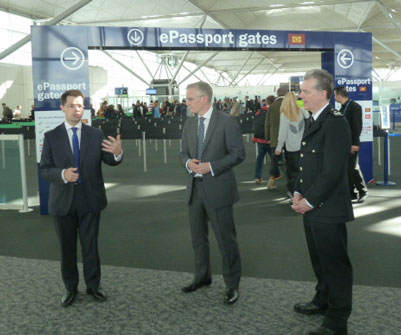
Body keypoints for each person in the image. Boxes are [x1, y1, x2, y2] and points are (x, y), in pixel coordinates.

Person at [40, 90, 123, 308]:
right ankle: (70, 288)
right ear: (62, 108)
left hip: (90, 200)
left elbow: (110, 160)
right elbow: (45, 169)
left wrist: (117, 153)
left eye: (80, 106)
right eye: (72, 106)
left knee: (90, 246)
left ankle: (93, 286)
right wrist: (62, 174)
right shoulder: (51, 136)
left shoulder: (95, 134)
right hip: (63, 202)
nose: (77, 110)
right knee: (67, 249)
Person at [292, 69, 354, 335]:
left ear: (322, 93)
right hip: (312, 205)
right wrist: (297, 191)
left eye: (305, 91)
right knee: (319, 260)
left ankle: (338, 321)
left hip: (328, 208)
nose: (300, 95)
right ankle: (322, 300)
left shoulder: (336, 122)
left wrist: (311, 200)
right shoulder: (313, 119)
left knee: (335, 265)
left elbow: (332, 171)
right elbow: (307, 164)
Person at [180, 82, 245, 305]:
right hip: (195, 190)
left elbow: (238, 154)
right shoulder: (189, 124)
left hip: (219, 189)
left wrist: (212, 167)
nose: (186, 103)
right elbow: (183, 153)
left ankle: (232, 285)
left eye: (190, 99)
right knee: (198, 239)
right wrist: (189, 162)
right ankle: (202, 277)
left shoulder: (226, 122)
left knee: (226, 240)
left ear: (204, 99)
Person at [334, 86, 368, 203]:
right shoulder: (343, 108)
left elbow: (357, 127)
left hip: (352, 144)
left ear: (339, 95)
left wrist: (354, 143)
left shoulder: (354, 107)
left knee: (353, 168)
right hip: (343, 144)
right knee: (346, 169)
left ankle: (363, 191)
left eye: (335, 95)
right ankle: (351, 193)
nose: (334, 97)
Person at [275, 92, 310, 198]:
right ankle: (303, 191)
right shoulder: (301, 111)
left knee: (292, 172)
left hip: (291, 148)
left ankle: (294, 192)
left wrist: (279, 147)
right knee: (302, 170)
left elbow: (282, 133)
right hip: (303, 147)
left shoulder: (284, 114)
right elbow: (308, 116)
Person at [265, 86, 288, 189]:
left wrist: (267, 137)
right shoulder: (289, 105)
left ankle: (272, 179)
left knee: (274, 160)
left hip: (275, 138)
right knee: (290, 161)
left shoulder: (272, 106)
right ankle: (291, 183)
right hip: (289, 138)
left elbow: (267, 124)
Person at [253, 95, 275, 184]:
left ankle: (258, 177)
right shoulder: (274, 111)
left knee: (260, 159)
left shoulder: (259, 111)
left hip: (259, 139)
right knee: (274, 159)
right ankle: (273, 176)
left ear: (266, 102)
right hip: (270, 139)